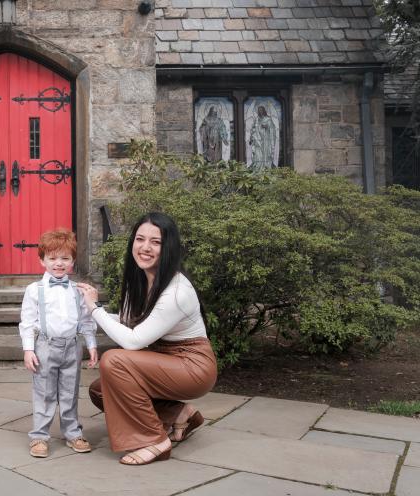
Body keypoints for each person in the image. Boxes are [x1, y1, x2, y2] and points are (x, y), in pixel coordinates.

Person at [76, 212, 217, 466]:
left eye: (155, 242)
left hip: (192, 366)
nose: (145, 247)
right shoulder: (140, 280)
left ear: (168, 248)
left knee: (114, 361)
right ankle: (180, 413)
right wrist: (94, 310)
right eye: (140, 239)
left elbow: (133, 341)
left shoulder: (177, 290)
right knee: (101, 390)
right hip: (163, 359)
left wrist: (95, 309)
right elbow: (129, 322)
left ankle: (155, 441)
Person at [19, 229, 99, 458]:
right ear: (42, 260)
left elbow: (85, 320)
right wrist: (28, 349)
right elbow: (27, 322)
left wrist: (91, 344)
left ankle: (72, 432)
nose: (59, 263)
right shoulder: (35, 290)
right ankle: (39, 436)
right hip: (46, 346)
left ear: (72, 261)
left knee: (69, 392)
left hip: (72, 347)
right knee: (44, 393)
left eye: (65, 258)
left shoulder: (77, 291)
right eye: (52, 258)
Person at [249, 105, 277, 171]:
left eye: (261, 110)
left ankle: (266, 167)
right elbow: (253, 129)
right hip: (257, 140)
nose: (260, 112)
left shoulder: (268, 119)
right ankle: (257, 167)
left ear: (264, 111)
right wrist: (251, 138)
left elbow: (272, 129)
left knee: (266, 154)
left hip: (265, 140)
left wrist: (267, 126)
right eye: (259, 111)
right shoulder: (256, 120)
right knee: (257, 154)